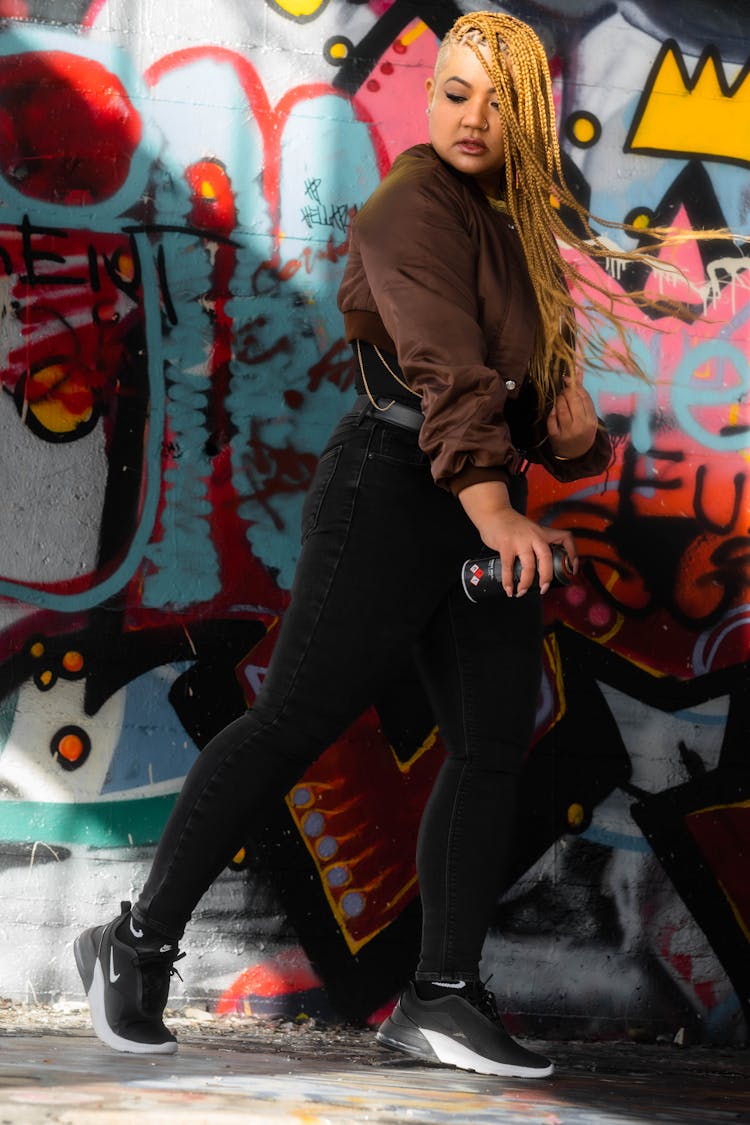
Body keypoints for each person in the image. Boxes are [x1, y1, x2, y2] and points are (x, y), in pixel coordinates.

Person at [75, 10, 673, 1077]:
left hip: (474, 492)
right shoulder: (411, 207)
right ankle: (135, 941)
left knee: (491, 742)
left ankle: (441, 994)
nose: (474, 117)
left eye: (499, 98)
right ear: (430, 97)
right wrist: (497, 508)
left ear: (534, 112)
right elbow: (444, 371)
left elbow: (529, 407)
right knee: (296, 717)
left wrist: (575, 438)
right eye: (455, 92)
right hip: (393, 487)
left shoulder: (523, 228)